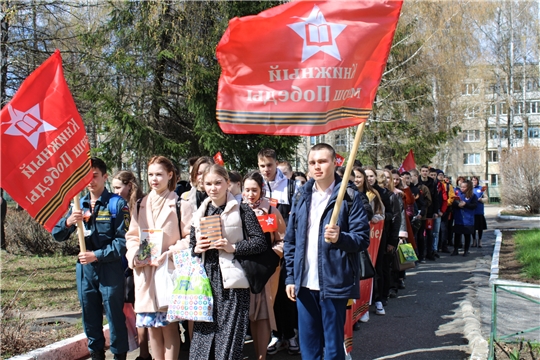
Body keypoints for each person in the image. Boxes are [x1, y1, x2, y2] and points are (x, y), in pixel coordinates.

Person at [284, 143, 370, 360]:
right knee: (309, 347)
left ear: (334, 162)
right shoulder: (301, 195)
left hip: (334, 281)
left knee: (332, 348)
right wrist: (290, 277)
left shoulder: (349, 196)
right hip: (304, 283)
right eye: (312, 162)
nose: (317, 167)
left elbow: (362, 239)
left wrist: (340, 237)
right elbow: (291, 240)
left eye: (322, 161)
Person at [52, 158, 129, 360]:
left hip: (109, 269)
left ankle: (119, 355)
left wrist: (97, 255)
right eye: (86, 177)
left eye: (94, 175)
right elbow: (57, 235)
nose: (90, 181)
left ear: (105, 177)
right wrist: (69, 221)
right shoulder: (79, 204)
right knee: (89, 315)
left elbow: (123, 242)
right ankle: (96, 354)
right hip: (86, 271)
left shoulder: (117, 204)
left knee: (114, 315)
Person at [189, 165, 267, 359]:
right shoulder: (200, 212)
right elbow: (192, 245)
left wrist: (233, 247)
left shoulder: (242, 209)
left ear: (228, 183)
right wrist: (197, 248)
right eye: (208, 184)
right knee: (204, 331)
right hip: (207, 278)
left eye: (218, 183)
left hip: (233, 279)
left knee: (229, 333)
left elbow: (260, 242)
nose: (213, 188)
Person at [125, 156, 187, 360]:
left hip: (168, 272)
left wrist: (170, 253)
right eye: (151, 174)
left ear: (170, 175)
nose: (154, 179)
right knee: (152, 328)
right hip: (145, 272)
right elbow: (132, 236)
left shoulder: (180, 203)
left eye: (159, 174)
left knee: (169, 327)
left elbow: (189, 238)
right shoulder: (141, 203)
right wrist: (135, 256)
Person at [257, 148, 299, 355]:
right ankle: (275, 334)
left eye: (270, 165)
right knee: (269, 296)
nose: (266, 170)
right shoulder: (257, 186)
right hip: (264, 249)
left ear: (276, 163)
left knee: (286, 292)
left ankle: (290, 334)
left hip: (286, 247)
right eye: (262, 166)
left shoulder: (291, 187)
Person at [242, 171, 286, 360]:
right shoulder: (237, 210)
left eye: (254, 190)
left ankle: (262, 356)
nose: (250, 194)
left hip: (267, 270)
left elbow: (283, 240)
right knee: (250, 313)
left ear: (261, 190)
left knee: (264, 313)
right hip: (244, 268)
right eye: (247, 190)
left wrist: (271, 257)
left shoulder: (271, 211)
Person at [111, 171, 150, 360]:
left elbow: (146, 235)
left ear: (129, 185)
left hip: (137, 263)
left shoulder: (140, 204)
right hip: (121, 263)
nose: (116, 192)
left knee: (140, 307)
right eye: (113, 188)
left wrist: (141, 258)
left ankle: (144, 353)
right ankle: (136, 348)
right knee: (130, 308)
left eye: (118, 187)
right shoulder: (116, 206)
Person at [451, 180, 478, 256]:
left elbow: (474, 205)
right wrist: (457, 205)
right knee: (457, 235)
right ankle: (455, 250)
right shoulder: (458, 194)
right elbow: (453, 203)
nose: (462, 188)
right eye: (461, 187)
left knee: (467, 235)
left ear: (468, 187)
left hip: (468, 218)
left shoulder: (473, 196)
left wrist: (466, 204)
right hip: (458, 218)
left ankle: (466, 250)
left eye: (464, 187)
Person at [471, 176, 488, 248]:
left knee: (480, 227)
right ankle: (474, 240)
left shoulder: (481, 188)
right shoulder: (469, 189)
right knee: (473, 227)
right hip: (472, 211)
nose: (474, 182)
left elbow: (486, 198)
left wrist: (481, 199)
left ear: (477, 181)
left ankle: (480, 241)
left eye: (475, 180)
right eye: (472, 180)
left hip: (479, 210)